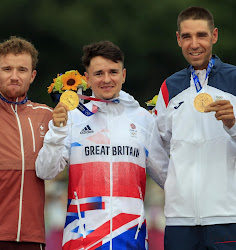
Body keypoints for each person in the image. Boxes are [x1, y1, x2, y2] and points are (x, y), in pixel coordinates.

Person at [35, 40, 168, 250]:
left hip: (130, 239)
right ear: (87, 79)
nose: (106, 79)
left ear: (123, 75)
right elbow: (45, 171)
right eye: (98, 74)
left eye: (113, 72)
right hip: (82, 241)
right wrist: (57, 130)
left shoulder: (144, 120)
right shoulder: (72, 118)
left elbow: (168, 178)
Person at [154, 6, 236, 250]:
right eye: (186, 36)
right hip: (180, 222)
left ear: (214, 36)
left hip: (231, 219)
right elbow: (155, 150)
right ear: (178, 39)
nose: (194, 44)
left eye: (201, 35)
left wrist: (234, 125)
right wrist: (177, 185)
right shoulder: (169, 88)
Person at [0, 36, 53, 250]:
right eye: (7, 69)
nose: (14, 77)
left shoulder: (47, 116)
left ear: (33, 76)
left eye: (22, 70)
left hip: (32, 240)